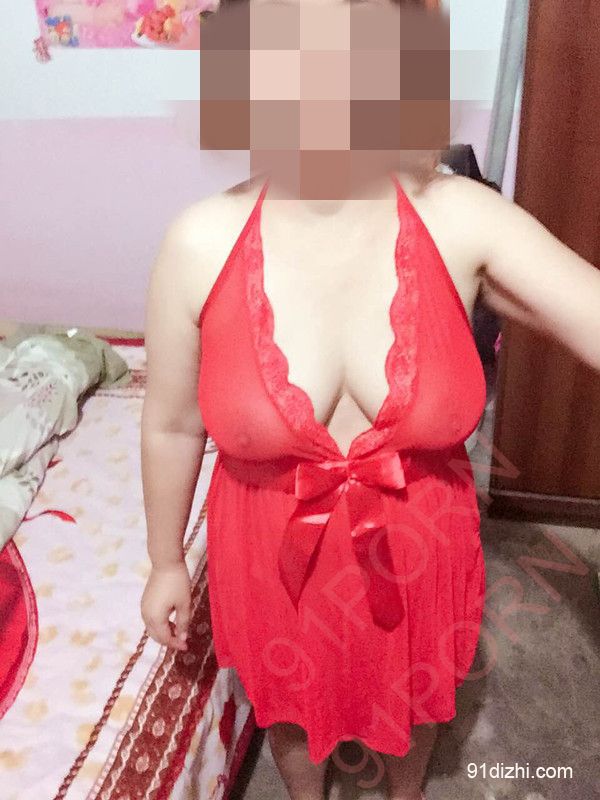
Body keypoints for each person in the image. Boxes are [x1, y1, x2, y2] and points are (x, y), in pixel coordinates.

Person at [140, 1, 600, 798]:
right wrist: (165, 561)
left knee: (417, 700)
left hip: (422, 547)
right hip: (269, 555)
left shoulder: (460, 217)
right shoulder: (197, 242)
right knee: (288, 709)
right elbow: (173, 425)